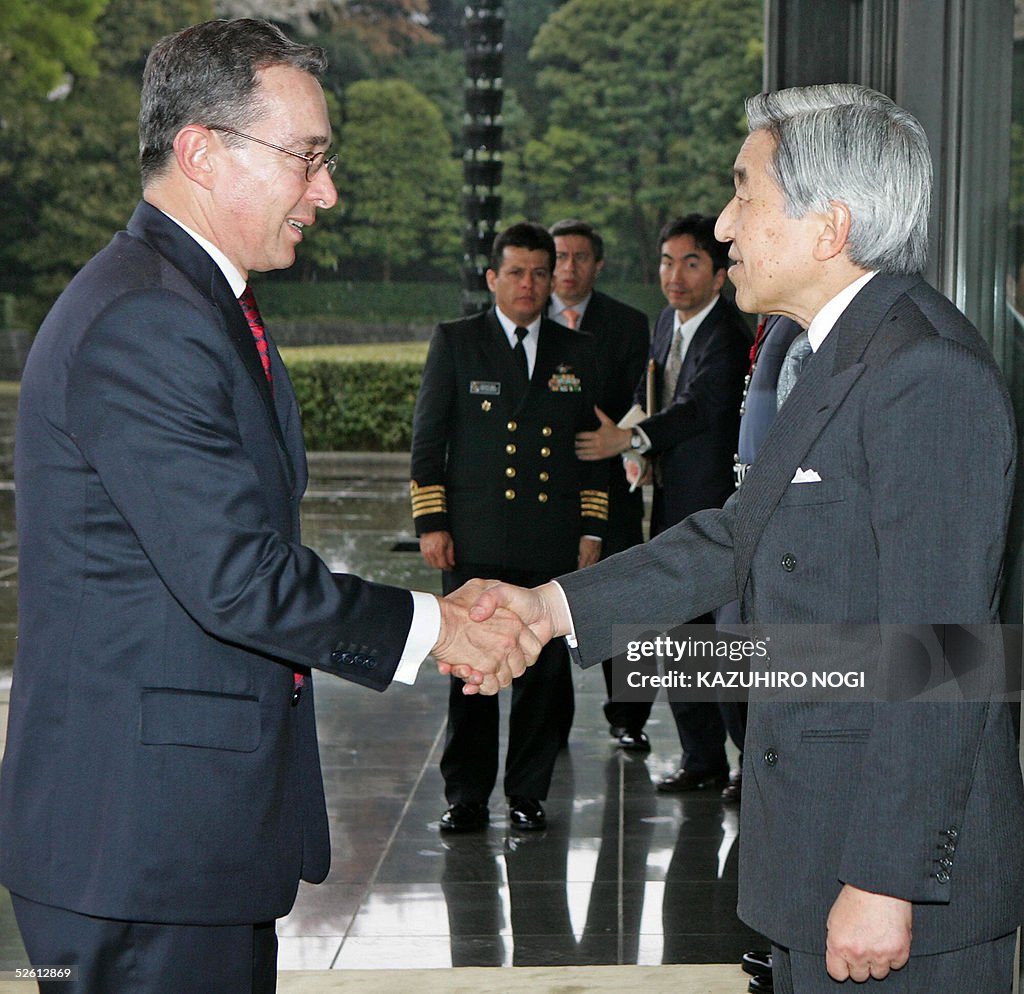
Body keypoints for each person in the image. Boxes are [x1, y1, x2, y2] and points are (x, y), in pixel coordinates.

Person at [0, 19, 536, 994]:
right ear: (201, 150)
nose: (325, 191)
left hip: (176, 835)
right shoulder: (149, 318)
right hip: (140, 848)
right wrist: (435, 626)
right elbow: (237, 576)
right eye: (307, 158)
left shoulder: (196, 298)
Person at [471, 83, 1024, 993]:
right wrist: (547, 606)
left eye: (745, 195)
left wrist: (885, 880)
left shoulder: (924, 373)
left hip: (898, 887)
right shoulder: (843, 350)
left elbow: (946, 654)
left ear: (829, 225)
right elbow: (736, 538)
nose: (725, 227)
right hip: (817, 849)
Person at [411, 222, 608, 834]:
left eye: (540, 273)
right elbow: (428, 440)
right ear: (493, 277)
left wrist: (592, 529)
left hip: (548, 540)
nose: (529, 284)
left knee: (543, 680)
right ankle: (466, 794)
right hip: (477, 538)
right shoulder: (458, 341)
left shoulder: (577, 351)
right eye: (517, 272)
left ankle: (528, 793)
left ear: (552, 281)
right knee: (471, 673)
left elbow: (589, 451)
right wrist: (431, 522)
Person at [574, 214, 750, 790]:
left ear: (719, 276)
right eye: (667, 262)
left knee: (719, 647)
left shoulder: (726, 333)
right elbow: (649, 396)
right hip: (672, 505)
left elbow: (699, 407)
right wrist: (633, 439)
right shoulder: (667, 323)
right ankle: (703, 759)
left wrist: (632, 438)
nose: (674, 275)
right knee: (681, 639)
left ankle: (753, 768)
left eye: (691, 262)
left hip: (713, 510)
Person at [547, 218, 651, 751]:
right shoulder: (527, 318)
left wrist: (629, 441)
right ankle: (549, 724)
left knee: (623, 602)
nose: (568, 267)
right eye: (560, 256)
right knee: (546, 600)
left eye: (580, 257)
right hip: (548, 488)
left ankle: (628, 718)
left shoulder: (630, 325)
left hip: (612, 481)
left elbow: (649, 398)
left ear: (598, 264)